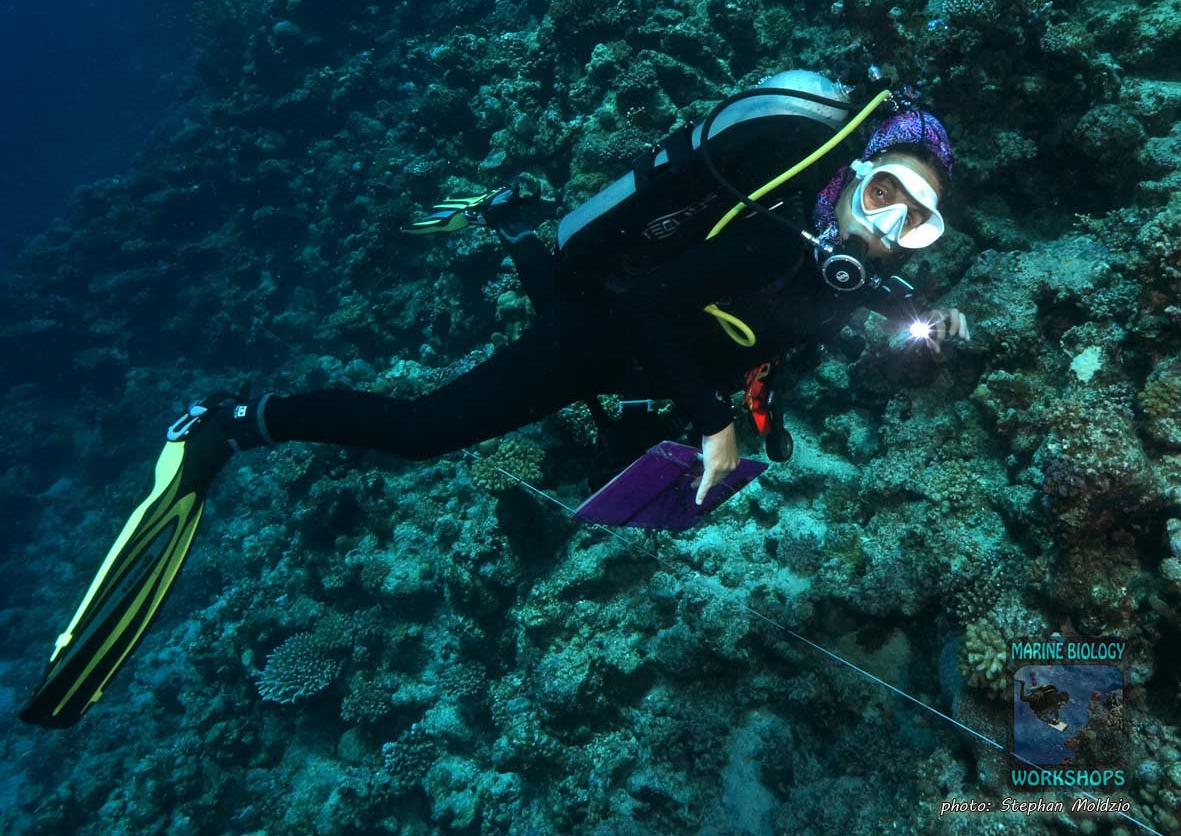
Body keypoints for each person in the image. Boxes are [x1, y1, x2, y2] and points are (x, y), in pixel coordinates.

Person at [21, 74, 970, 727]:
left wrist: (921, 335)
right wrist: (716, 421)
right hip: (605, 334)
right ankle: (233, 421)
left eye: (913, 221)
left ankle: (518, 213)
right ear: (846, 177)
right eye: (881, 193)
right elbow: (642, 301)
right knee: (429, 431)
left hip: (639, 343)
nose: (886, 227)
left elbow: (772, 330)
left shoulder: (842, 271)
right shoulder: (770, 241)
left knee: (559, 283)